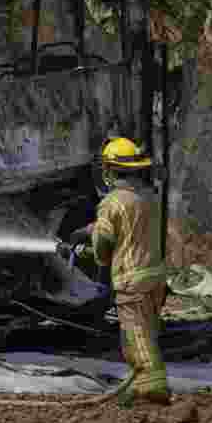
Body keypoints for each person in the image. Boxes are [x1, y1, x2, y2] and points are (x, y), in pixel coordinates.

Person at [70, 137, 169, 405]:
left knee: (135, 338)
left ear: (109, 171)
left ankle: (154, 390)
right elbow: (131, 231)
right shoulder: (149, 197)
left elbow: (104, 248)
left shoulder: (110, 203)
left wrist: (87, 250)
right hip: (155, 278)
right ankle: (136, 391)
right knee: (146, 336)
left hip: (131, 280)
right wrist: (88, 232)